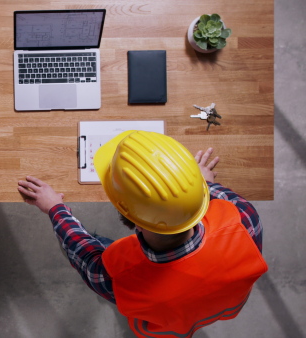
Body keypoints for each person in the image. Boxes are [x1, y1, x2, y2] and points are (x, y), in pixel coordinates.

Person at [17, 130, 268, 338]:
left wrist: (55, 208)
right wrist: (205, 182)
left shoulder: (116, 279)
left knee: (99, 247)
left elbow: (80, 248)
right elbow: (220, 197)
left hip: (162, 317)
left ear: (130, 218)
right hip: (220, 305)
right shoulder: (244, 220)